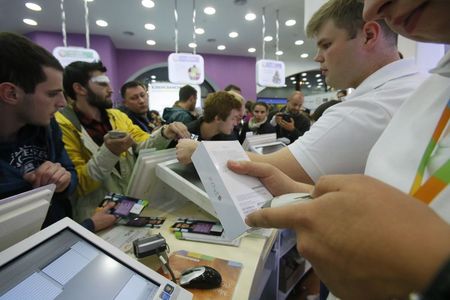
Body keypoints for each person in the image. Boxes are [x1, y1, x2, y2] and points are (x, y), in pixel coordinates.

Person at [229, 0, 450, 298]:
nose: (373, 8)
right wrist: (303, 194)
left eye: (326, 44)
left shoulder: (380, 101)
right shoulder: (431, 86)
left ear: (370, 36)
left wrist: (431, 273)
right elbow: (400, 193)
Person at [249, 0, 427, 185]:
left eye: (326, 45)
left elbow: (268, 171)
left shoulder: (370, 108)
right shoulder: (419, 85)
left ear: (368, 35)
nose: (318, 57)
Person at [0, 32, 116, 232]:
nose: (62, 103)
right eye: (52, 94)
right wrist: (35, 190)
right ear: (11, 93)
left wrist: (61, 182)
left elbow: (70, 176)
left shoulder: (47, 126)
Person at [55, 61, 190, 222]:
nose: (110, 89)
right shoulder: (62, 125)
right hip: (95, 218)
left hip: (130, 206)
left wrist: (165, 132)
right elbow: (78, 184)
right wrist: (109, 152)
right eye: (102, 84)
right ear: (80, 88)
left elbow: (142, 145)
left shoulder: (117, 116)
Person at [176, 91, 242, 165]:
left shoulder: (230, 138)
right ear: (218, 118)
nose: (236, 123)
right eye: (233, 118)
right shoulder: (185, 132)